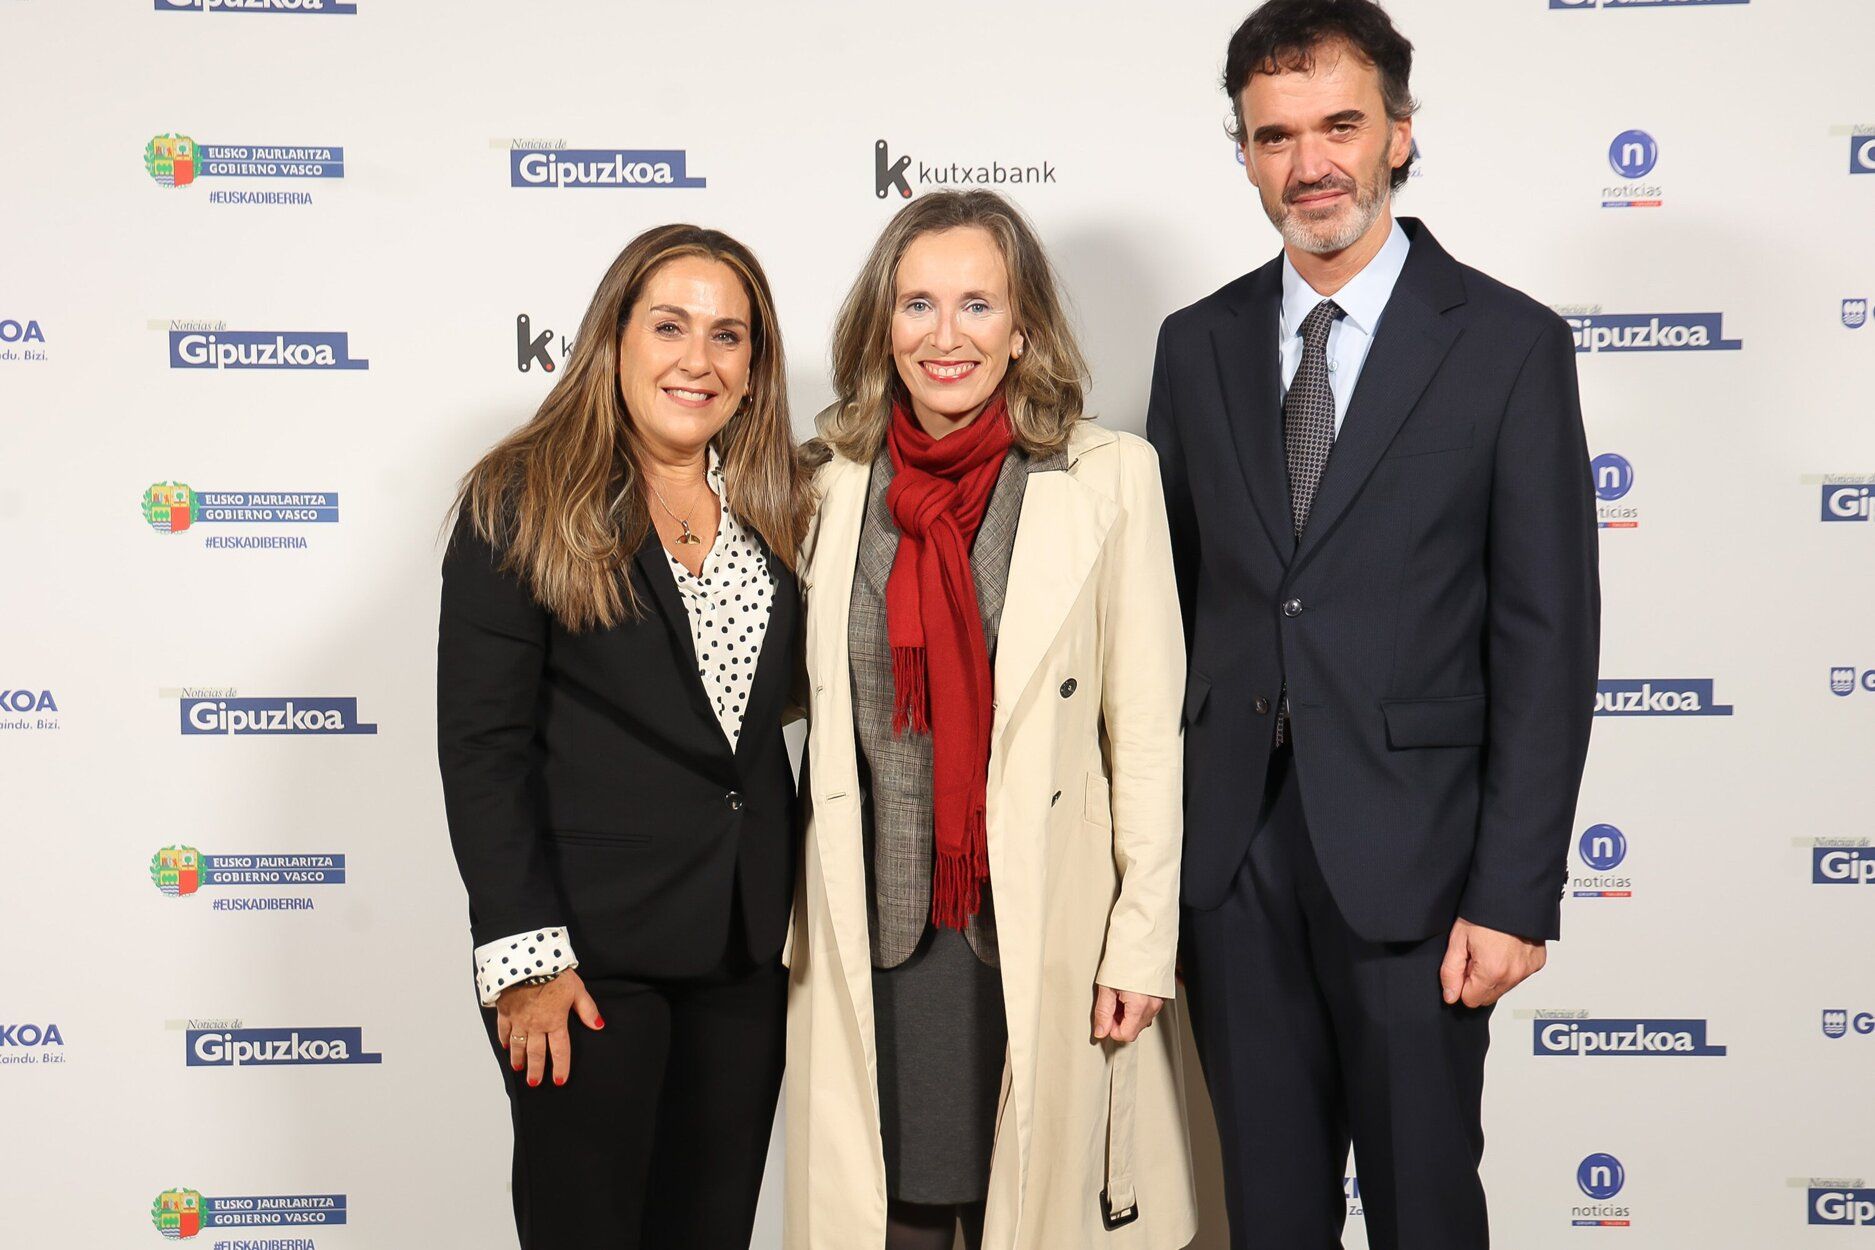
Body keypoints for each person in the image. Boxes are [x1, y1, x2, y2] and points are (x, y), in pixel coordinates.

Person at [1147, 3, 1601, 1247]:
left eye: (1340, 126)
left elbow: (1548, 640)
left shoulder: (1509, 345)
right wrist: (1155, 883)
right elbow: (1164, 616)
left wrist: (1515, 892)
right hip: (1231, 868)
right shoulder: (1194, 346)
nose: (1311, 164)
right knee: (1266, 1216)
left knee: (1425, 1210)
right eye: (1274, 136)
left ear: (1400, 132)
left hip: (1425, 872)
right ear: (1245, 154)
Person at [785, 189, 1197, 1250]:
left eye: (977, 304)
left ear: (1022, 328)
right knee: (897, 1215)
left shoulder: (1108, 476)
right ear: (883, 325)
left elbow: (1146, 733)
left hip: (1039, 920)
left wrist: (1140, 941)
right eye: (917, 304)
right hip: (874, 927)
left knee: (1032, 1212)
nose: (946, 335)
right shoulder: (825, 480)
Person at [436, 224, 810, 1249]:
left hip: (743, 950)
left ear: (754, 366)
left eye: (728, 336)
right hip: (584, 961)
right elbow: (482, 749)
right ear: (614, 339)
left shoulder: (781, 506)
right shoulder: (521, 498)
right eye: (670, 327)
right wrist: (524, 957)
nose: (699, 359)